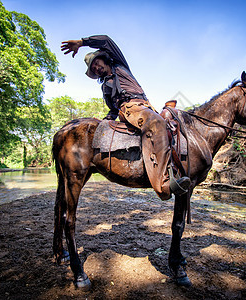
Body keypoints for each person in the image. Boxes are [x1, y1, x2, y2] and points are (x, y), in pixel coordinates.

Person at [61, 35, 190, 200]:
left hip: (146, 106)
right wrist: (104, 122)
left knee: (170, 122)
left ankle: (176, 168)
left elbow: (106, 40)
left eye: (96, 63)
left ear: (103, 59)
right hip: (130, 108)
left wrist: (82, 42)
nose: (95, 68)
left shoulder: (120, 66)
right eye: (93, 68)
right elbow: (113, 110)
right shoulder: (105, 88)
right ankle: (164, 184)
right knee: (157, 122)